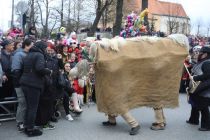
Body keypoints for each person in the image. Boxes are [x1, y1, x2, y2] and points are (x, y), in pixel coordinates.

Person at [20, 41, 52, 137]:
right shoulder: (39, 55)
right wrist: (49, 71)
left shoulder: (28, 54)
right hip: (33, 84)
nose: (46, 50)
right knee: (33, 107)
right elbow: (39, 68)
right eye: (45, 48)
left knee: (29, 106)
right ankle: (30, 129)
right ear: (42, 47)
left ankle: (27, 126)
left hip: (25, 82)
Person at [35, 42, 63, 130]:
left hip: (53, 84)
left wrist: (60, 59)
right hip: (46, 84)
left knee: (51, 103)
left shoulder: (55, 59)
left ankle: (49, 118)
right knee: (44, 104)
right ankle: (43, 122)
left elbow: (60, 68)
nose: (49, 51)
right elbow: (43, 71)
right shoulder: (42, 58)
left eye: (51, 50)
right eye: (48, 50)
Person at [187, 46, 210, 131]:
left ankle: (207, 125)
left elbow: (208, 75)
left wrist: (195, 78)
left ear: (205, 54)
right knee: (195, 104)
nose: (198, 54)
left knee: (203, 107)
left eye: (200, 53)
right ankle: (193, 120)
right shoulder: (203, 61)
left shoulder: (207, 62)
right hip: (198, 87)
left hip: (204, 89)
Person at [11, 39, 33, 131]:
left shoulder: (29, 54)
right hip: (20, 83)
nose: (33, 46)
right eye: (32, 44)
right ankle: (20, 122)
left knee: (27, 102)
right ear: (27, 45)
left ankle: (26, 120)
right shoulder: (19, 54)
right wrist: (20, 83)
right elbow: (15, 71)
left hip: (28, 83)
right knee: (22, 102)